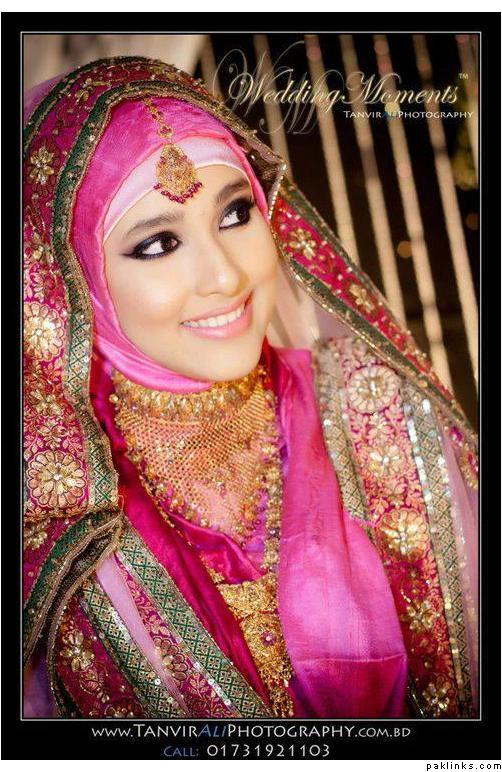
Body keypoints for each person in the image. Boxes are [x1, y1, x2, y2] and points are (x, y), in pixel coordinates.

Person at [23, 55, 478, 720]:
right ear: (68, 277)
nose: (225, 277)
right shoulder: (49, 512)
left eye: (236, 213)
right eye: (157, 245)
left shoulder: (376, 403)